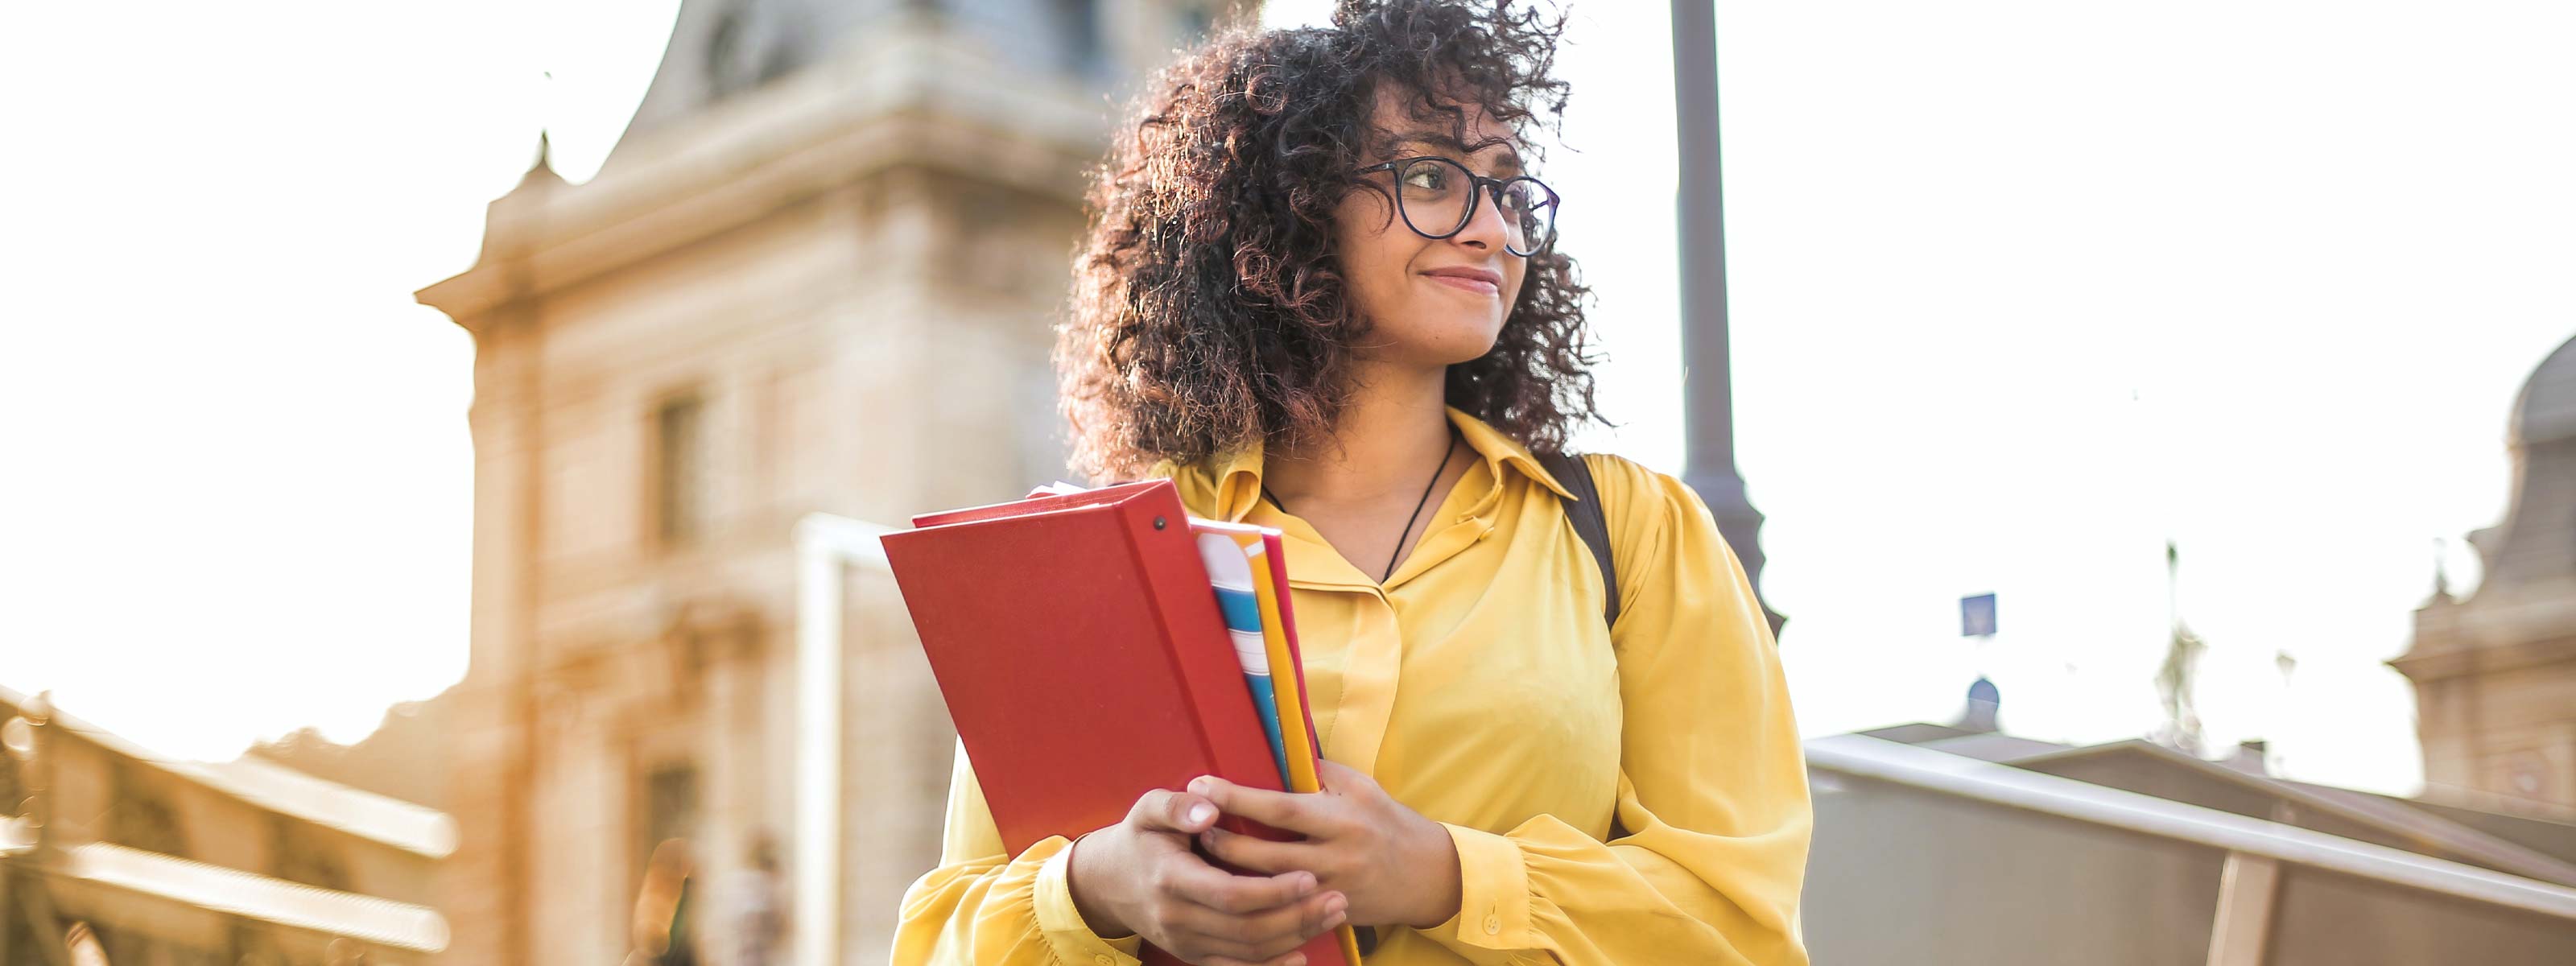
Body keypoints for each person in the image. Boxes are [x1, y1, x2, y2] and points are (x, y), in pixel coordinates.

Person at [893, 2, 1809, 964]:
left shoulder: (1634, 533)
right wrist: (1094, 889)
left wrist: (1443, 875)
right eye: (1429, 177)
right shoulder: (1098, 557)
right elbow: (938, 939)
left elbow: (1738, 921)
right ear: (1290, 204)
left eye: (1506, 190)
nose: (1490, 229)